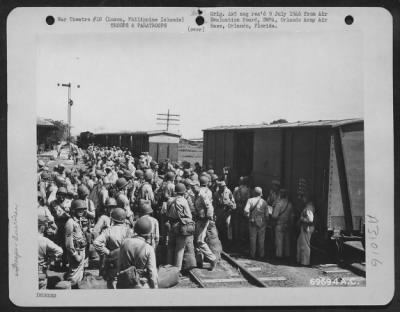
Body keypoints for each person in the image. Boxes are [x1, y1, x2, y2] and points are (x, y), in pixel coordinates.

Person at [93, 207, 132, 289]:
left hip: (113, 260)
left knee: (112, 281)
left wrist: (107, 252)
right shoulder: (130, 231)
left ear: (112, 219)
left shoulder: (108, 231)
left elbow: (96, 242)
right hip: (126, 260)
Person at [118, 217, 158, 289]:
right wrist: (155, 288)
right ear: (148, 233)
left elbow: (120, 264)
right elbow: (152, 273)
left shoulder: (124, 243)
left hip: (124, 283)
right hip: (141, 284)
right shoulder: (148, 248)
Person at [166, 183, 194, 271]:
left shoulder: (170, 200)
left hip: (171, 224)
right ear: (183, 191)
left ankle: (168, 266)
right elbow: (189, 216)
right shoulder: (183, 201)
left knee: (170, 247)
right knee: (180, 249)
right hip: (180, 226)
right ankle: (177, 270)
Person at [193, 176, 217, 270]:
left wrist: (207, 218)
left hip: (203, 220)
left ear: (198, 185)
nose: (191, 188)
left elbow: (210, 207)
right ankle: (199, 261)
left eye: (193, 187)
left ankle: (212, 259)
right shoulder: (199, 193)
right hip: (199, 218)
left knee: (200, 241)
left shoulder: (202, 194)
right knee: (198, 240)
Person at [64, 199, 88, 286]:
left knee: (79, 274)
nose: (81, 211)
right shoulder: (70, 223)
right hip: (75, 252)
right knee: (73, 276)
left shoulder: (78, 221)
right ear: (74, 210)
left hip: (81, 250)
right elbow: (68, 242)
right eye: (79, 210)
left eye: (83, 209)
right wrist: (75, 255)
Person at [38, 216, 63, 289]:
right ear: (42, 227)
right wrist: (50, 260)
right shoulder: (45, 240)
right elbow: (59, 251)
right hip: (41, 272)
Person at [244, 187, 269, 259]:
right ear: (261, 193)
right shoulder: (264, 202)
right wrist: (266, 222)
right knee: (261, 239)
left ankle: (253, 254)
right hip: (262, 222)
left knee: (253, 239)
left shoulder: (250, 200)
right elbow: (267, 215)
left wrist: (248, 217)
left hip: (253, 222)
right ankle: (261, 254)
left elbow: (246, 210)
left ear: (254, 193)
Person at [272, 189, 293, 259]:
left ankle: (279, 255)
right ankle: (287, 255)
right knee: (287, 241)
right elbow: (292, 216)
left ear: (280, 195)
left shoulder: (279, 204)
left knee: (279, 240)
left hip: (279, 224)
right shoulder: (290, 204)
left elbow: (275, 216)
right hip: (287, 224)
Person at [297, 192, 315, 266]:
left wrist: (302, 219)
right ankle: (301, 260)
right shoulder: (309, 206)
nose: (303, 199)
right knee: (301, 243)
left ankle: (305, 262)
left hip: (307, 227)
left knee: (305, 245)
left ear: (307, 198)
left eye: (304, 197)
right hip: (306, 227)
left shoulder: (309, 207)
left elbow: (310, 220)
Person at [233, 176, 251, 243]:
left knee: (236, 222)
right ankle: (241, 237)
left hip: (237, 206)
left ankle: (236, 236)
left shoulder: (236, 189)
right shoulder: (247, 189)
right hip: (244, 206)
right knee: (243, 223)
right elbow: (248, 199)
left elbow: (233, 198)